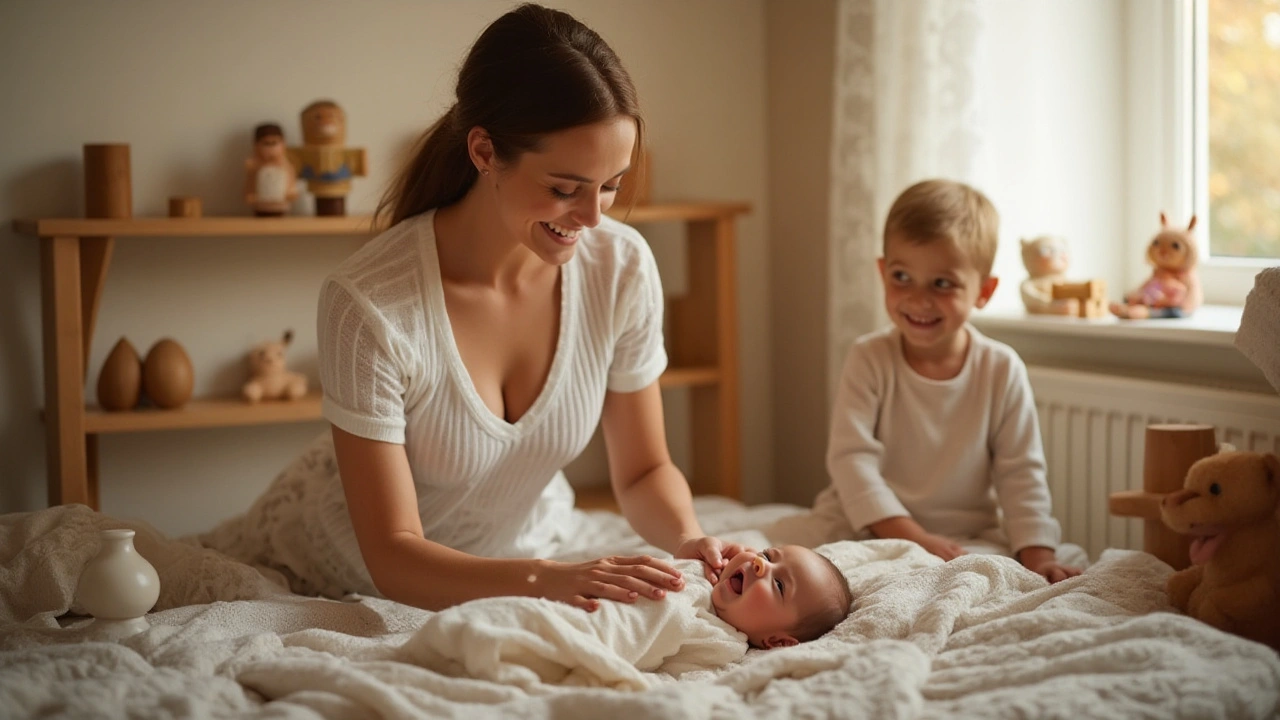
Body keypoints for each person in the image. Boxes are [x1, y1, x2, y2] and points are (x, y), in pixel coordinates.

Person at [203, 3, 748, 612]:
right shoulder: (369, 303)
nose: (595, 218)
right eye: (565, 189)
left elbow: (645, 472)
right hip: (335, 574)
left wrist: (688, 538)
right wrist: (547, 580)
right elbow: (392, 554)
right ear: (485, 151)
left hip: (524, 556)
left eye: (612, 184)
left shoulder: (619, 267)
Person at [807, 179, 1082, 583]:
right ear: (882, 272)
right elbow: (851, 462)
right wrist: (913, 537)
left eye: (942, 283)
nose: (919, 299)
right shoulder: (869, 358)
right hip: (866, 529)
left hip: (965, 537)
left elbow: (1020, 473)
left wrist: (1038, 555)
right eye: (902, 276)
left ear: (983, 292)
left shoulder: (1001, 369)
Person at [409, 545, 855, 688]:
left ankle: (494, 641)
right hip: (558, 603)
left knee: (510, 640)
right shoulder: (695, 576)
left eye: (779, 584)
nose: (760, 565)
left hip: (578, 631)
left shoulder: (720, 642)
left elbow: (658, 671)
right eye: (770, 554)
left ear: (777, 641)